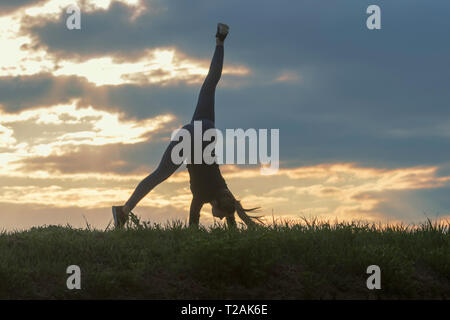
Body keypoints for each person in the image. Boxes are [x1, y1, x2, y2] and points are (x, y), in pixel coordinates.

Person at [112, 23, 260, 229]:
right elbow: (197, 219)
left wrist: (247, 226)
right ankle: (123, 211)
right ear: (216, 203)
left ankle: (220, 41)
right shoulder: (205, 193)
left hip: (205, 128)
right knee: (160, 174)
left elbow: (233, 212)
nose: (219, 218)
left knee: (210, 84)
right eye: (220, 215)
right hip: (191, 138)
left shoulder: (223, 190)